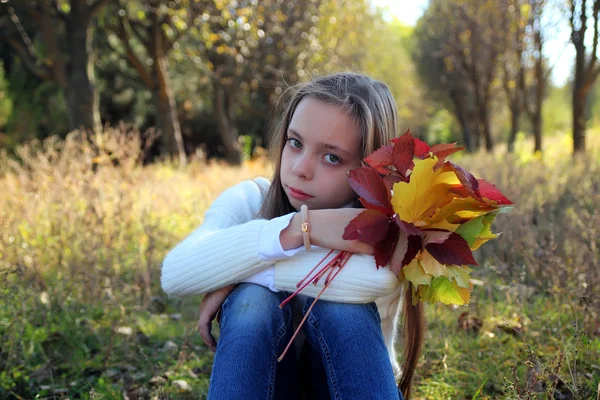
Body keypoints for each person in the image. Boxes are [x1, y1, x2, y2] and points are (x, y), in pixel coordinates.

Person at [161, 72, 425, 399]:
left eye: (332, 157)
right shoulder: (250, 199)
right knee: (252, 302)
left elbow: (380, 280)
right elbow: (175, 273)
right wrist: (298, 230)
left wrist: (232, 273)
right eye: (295, 142)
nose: (301, 167)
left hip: (346, 384)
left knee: (342, 308)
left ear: (370, 169)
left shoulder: (383, 226)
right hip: (267, 387)